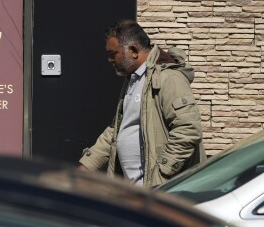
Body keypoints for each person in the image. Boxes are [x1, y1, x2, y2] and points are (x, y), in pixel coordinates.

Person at [78, 19, 206, 187]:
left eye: (112, 54)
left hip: (161, 191)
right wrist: (87, 165)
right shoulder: (133, 80)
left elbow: (188, 129)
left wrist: (161, 175)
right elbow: (116, 130)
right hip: (135, 191)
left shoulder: (168, 78)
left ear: (133, 51)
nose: (109, 60)